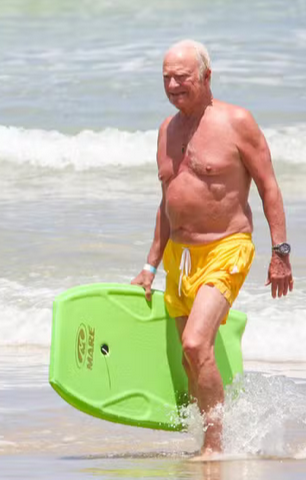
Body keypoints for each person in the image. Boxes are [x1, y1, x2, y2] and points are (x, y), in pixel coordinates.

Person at [131, 40, 293, 458]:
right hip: (180, 258)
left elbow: (268, 186)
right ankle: (216, 429)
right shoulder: (167, 130)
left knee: (194, 343)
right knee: (190, 359)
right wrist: (150, 265)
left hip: (227, 248)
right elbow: (167, 202)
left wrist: (281, 251)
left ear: (206, 76)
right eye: (166, 77)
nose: (172, 84)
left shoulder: (238, 122)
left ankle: (215, 446)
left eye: (181, 76)